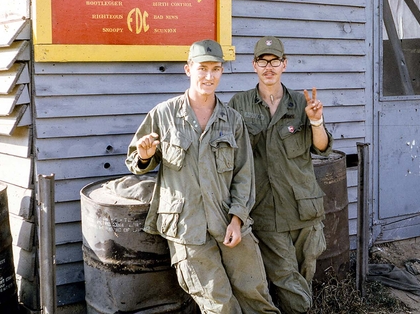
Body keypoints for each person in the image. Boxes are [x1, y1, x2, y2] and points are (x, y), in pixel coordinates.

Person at [126, 39, 279, 314]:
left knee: (257, 298)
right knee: (219, 306)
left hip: (228, 221)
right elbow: (135, 161)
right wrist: (146, 155)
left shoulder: (232, 120)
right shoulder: (164, 115)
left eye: (216, 69)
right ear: (188, 69)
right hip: (187, 228)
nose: (209, 76)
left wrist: (237, 219)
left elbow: (245, 174)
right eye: (202, 68)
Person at [229, 36, 334, 314]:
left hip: (304, 208)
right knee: (286, 278)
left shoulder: (302, 103)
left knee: (303, 274)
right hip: (266, 209)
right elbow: (231, 156)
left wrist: (316, 121)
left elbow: (322, 147)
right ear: (254, 66)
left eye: (274, 61)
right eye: (263, 62)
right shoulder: (239, 104)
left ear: (284, 65)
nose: (269, 67)